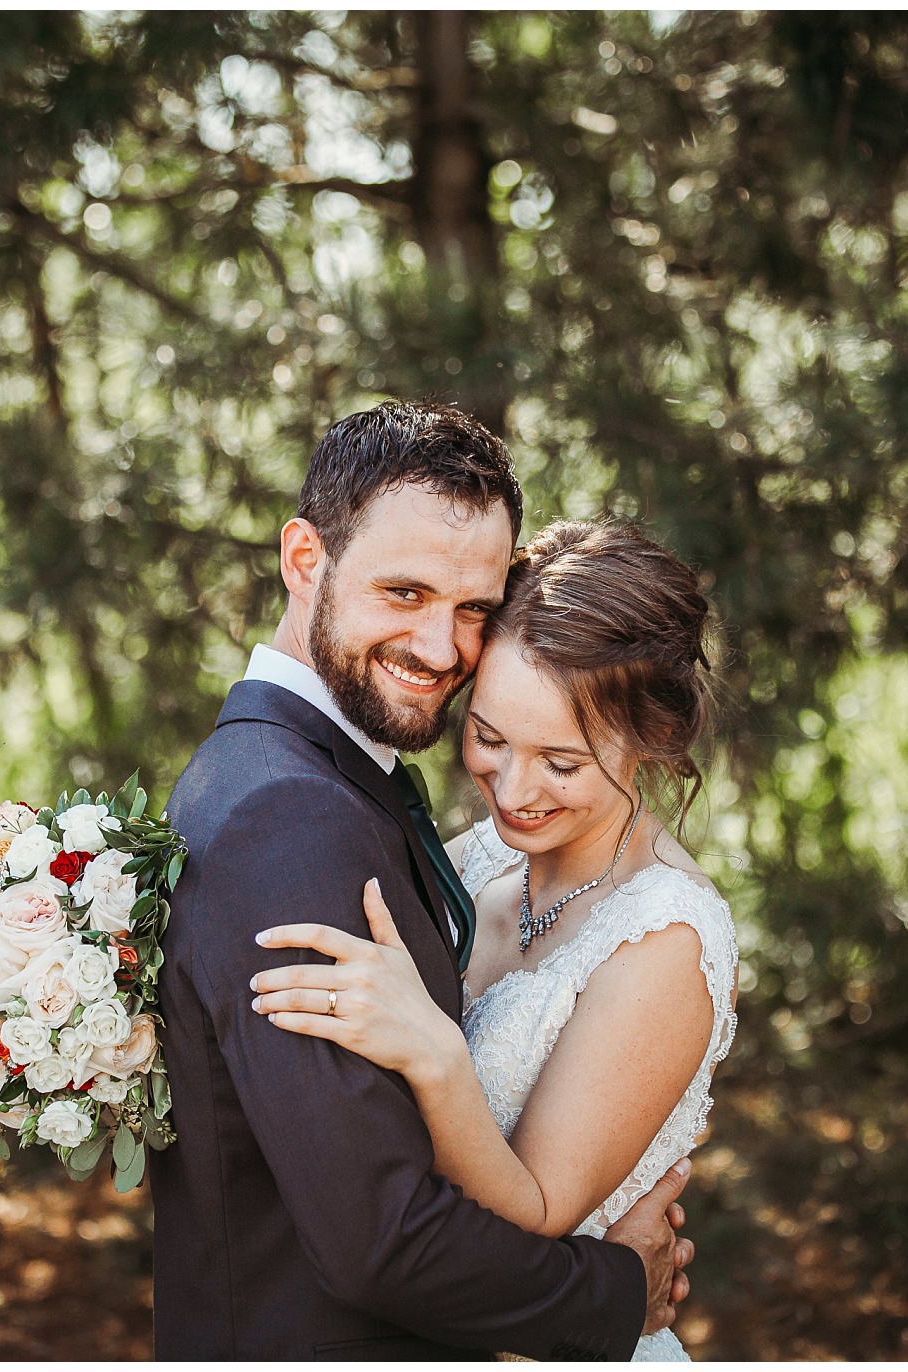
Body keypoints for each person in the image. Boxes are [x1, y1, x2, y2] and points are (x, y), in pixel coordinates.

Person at [151, 403, 695, 1360]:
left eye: (473, 609)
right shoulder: (288, 815)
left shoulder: (301, 776)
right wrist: (613, 1293)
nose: (442, 648)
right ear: (305, 560)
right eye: (403, 593)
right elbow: (382, 1240)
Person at [249, 519, 738, 1362]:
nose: (514, 790)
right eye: (490, 738)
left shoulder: (664, 938)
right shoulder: (475, 859)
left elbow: (542, 1205)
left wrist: (433, 1055)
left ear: (651, 742)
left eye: (563, 762)